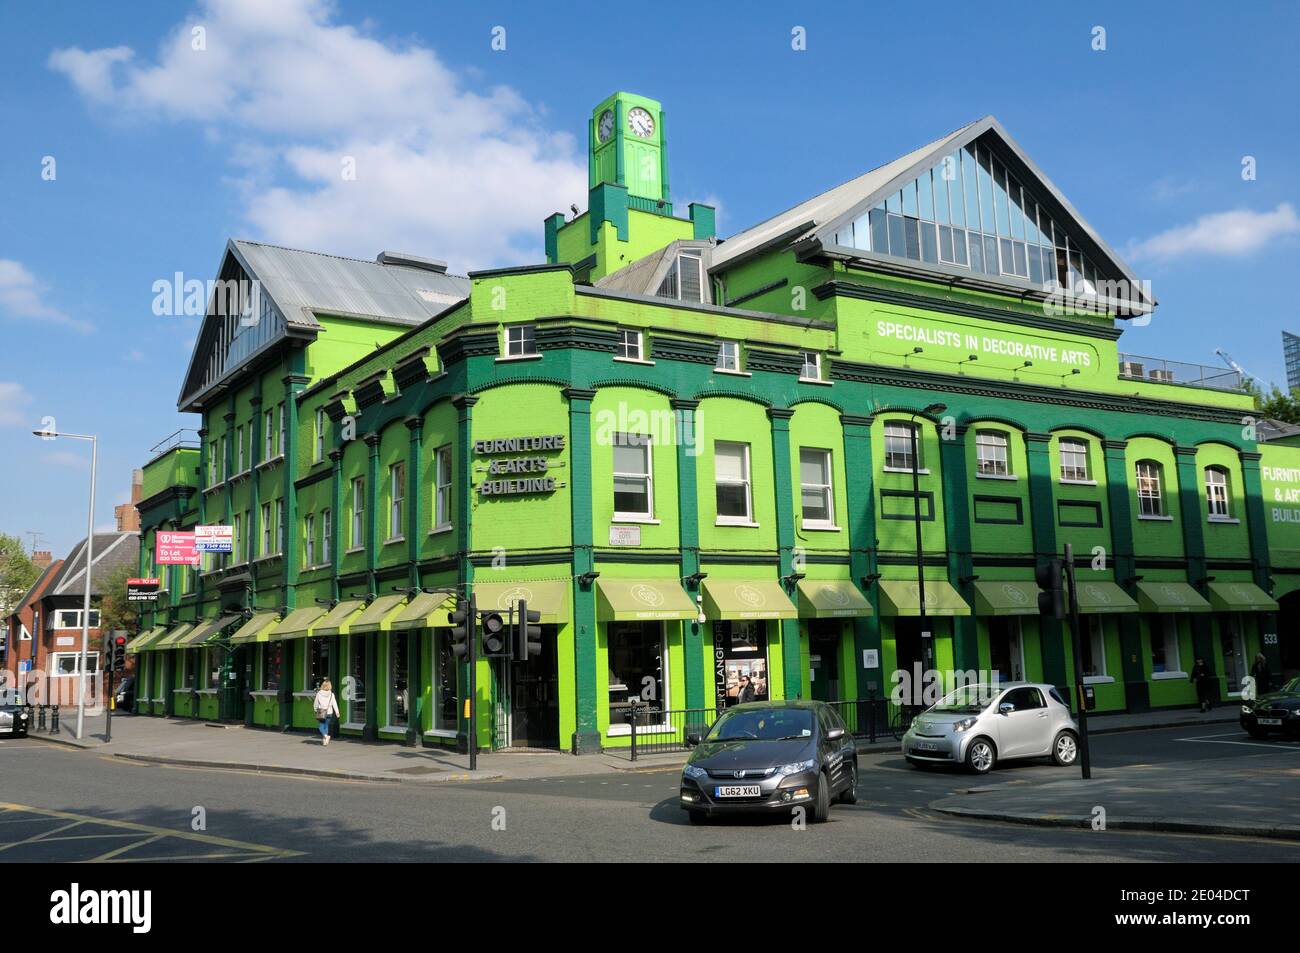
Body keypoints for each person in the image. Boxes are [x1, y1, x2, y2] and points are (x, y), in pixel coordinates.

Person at [313, 679, 340, 745]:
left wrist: (315, 709)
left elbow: (316, 703)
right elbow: (334, 704)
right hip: (329, 712)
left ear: (323, 685)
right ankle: (325, 741)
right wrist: (337, 712)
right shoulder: (332, 694)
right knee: (326, 726)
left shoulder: (319, 693)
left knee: (321, 727)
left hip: (321, 712)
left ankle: (326, 736)